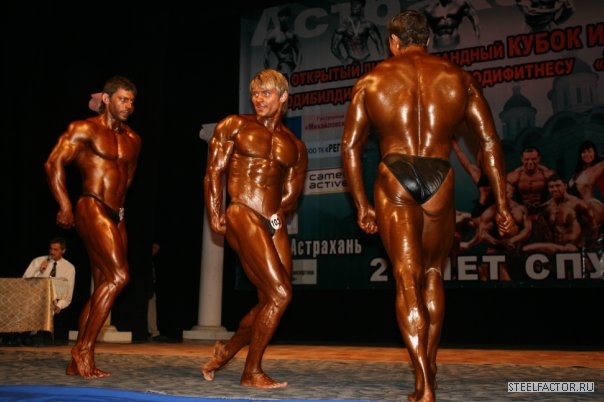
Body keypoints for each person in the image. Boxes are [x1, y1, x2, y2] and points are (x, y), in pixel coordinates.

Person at [340, 10, 516, 402]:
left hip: (394, 174)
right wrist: (503, 203)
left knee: (407, 278)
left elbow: (350, 147)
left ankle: (424, 384)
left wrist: (362, 204)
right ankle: (430, 366)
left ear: (393, 42)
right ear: (429, 40)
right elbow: (489, 142)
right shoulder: (459, 78)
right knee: (434, 273)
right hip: (440, 174)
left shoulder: (372, 80)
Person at [201, 69, 308, 389]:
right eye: (255, 94)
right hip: (241, 211)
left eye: (266, 93)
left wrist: (272, 216)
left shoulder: (295, 146)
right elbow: (213, 172)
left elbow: (291, 194)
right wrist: (215, 213)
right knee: (280, 292)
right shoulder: (234, 125)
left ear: (283, 97)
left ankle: (226, 351)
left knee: (272, 299)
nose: (259, 99)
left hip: (272, 221)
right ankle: (251, 372)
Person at [45, 75, 141, 378]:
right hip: (91, 204)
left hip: (117, 214)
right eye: (123, 99)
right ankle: (83, 349)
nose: (128, 106)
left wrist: (119, 211)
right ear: (107, 99)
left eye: (132, 101)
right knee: (119, 276)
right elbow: (53, 163)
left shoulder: (133, 139)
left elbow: (127, 179)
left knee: (104, 285)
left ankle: (78, 360)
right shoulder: (85, 128)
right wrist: (65, 204)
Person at [523, 174, 597, 277]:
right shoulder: (547, 207)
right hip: (557, 248)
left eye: (558, 186)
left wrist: (585, 248)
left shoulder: (577, 203)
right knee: (526, 249)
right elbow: (542, 230)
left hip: (573, 248)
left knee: (572, 277)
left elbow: (593, 226)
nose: (555, 189)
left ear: (565, 186)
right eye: (551, 187)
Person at [460, 182, 533, 280]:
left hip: (515, 251)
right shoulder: (490, 212)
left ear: (512, 193)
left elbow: (528, 230)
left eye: (506, 192)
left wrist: (512, 240)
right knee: (499, 277)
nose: (502, 196)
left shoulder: (520, 209)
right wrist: (499, 243)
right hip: (496, 252)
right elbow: (482, 234)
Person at [22, 236, 76, 344]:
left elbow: (68, 291)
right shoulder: (38, 261)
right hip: (36, 298)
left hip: (55, 300)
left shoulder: (69, 268)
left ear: (63, 251)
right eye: (51, 249)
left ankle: (46, 336)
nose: (52, 252)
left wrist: (59, 305)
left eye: (56, 250)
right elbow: (24, 281)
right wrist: (39, 271)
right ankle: (28, 335)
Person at [506, 146, 556, 221]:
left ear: (538, 159)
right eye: (527, 159)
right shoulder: (514, 176)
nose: (530, 162)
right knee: (517, 216)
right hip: (522, 209)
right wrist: (518, 207)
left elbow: (560, 192)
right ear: (522, 159)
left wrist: (547, 205)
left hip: (543, 208)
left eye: (533, 159)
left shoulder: (547, 174)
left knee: (556, 213)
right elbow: (505, 196)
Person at [331, 0, 385, 65]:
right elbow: (334, 48)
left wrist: (382, 60)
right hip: (351, 60)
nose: (354, 6)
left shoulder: (368, 24)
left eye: (357, 4)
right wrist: (344, 62)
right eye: (353, 4)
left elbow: (378, 41)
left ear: (362, 6)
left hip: (367, 59)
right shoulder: (343, 27)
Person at [263, 7, 302, 76]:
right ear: (278, 18)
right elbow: (266, 55)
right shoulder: (273, 35)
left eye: (286, 16)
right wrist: (268, 72)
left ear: (289, 17)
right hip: (283, 66)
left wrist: (298, 67)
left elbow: (299, 51)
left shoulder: (292, 34)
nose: (284, 18)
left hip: (292, 67)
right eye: (281, 16)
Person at [147, 242, 160, 339]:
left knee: (152, 309)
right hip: (146, 287)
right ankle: (151, 331)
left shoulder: (152, 261)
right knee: (149, 309)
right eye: (154, 248)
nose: (156, 251)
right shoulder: (146, 260)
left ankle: (153, 331)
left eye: (157, 249)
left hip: (151, 288)